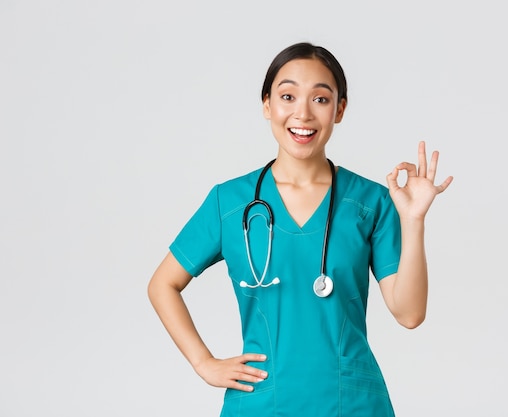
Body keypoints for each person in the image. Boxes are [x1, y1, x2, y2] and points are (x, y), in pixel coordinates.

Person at [147, 41, 453, 417]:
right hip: (261, 403)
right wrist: (203, 362)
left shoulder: (370, 202)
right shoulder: (229, 203)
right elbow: (162, 284)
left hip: (353, 404)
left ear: (339, 110)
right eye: (288, 96)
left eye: (321, 100)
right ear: (267, 105)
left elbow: (409, 314)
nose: (303, 114)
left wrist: (415, 219)